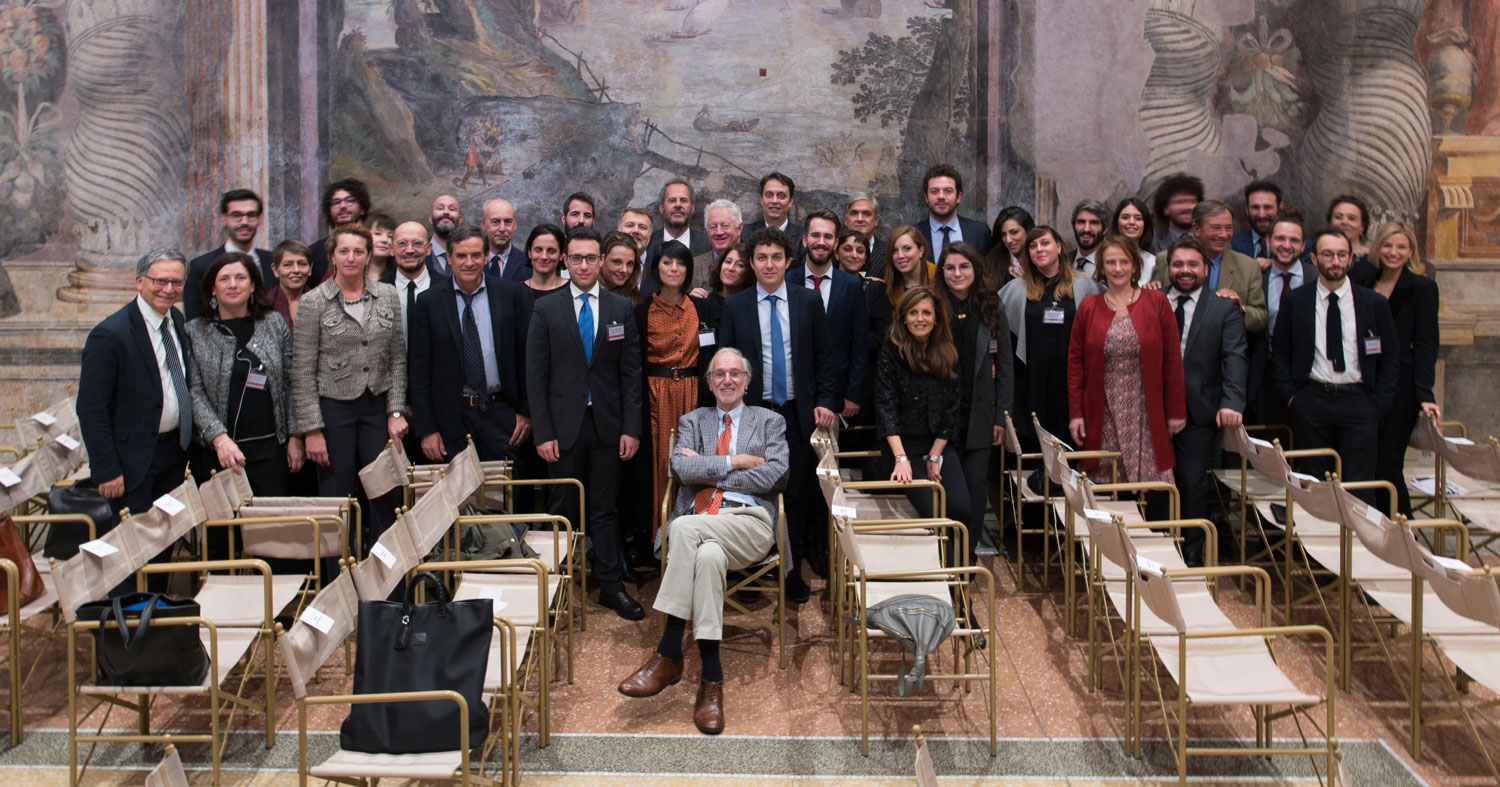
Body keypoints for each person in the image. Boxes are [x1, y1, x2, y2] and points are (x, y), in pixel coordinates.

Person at [617, 348, 788, 736]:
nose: (727, 380)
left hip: (749, 523)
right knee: (707, 556)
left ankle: (668, 652)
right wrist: (737, 461)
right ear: (708, 382)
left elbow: (777, 476)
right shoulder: (692, 421)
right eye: (719, 374)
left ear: (747, 381)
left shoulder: (770, 422)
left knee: (680, 530)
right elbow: (680, 467)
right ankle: (712, 678)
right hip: (704, 523)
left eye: (735, 374)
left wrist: (706, 470)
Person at [527, 227, 645, 620]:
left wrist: (631, 428)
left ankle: (611, 586)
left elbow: (630, 373)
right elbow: (536, 377)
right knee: (562, 509)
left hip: (608, 426)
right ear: (565, 260)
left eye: (591, 258)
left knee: (605, 509)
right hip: (562, 429)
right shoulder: (546, 309)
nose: (583, 265)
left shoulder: (618, 308)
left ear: (601, 261)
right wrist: (543, 432)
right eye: (576, 258)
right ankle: (554, 589)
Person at [717, 227, 837, 604]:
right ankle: (751, 572)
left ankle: (791, 569)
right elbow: (724, 364)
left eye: (776, 258)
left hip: (796, 415)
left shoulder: (808, 301)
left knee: (796, 495)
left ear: (789, 262)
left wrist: (825, 400)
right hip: (753, 415)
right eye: (761, 258)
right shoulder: (735, 306)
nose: (769, 264)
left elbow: (824, 357)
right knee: (752, 493)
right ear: (751, 264)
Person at [291, 223, 408, 544]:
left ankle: (385, 573)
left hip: (376, 408)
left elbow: (397, 358)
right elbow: (302, 371)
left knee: (385, 495)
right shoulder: (313, 302)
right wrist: (311, 430)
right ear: (332, 256)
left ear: (369, 255)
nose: (351, 258)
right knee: (336, 500)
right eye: (344, 251)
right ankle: (339, 574)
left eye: (358, 251)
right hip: (333, 412)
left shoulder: (387, 295)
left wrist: (396, 411)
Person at [1270, 228, 1399, 498]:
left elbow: (1390, 358)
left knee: (1360, 487)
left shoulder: (1374, 303)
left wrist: (1379, 403)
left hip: (1360, 401)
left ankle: (1357, 528)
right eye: (1328, 255)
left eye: (1342, 255)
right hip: (1312, 400)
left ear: (1351, 258)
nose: (1336, 262)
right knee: (1315, 485)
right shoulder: (1296, 301)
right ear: (1314, 259)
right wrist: (1292, 397)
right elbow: (1280, 353)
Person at [1068, 237, 1186, 523]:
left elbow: (1173, 360)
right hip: (1103, 411)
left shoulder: (1157, 302)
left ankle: (1154, 545)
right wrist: (1076, 414)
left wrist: (1176, 412)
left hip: (1146, 411)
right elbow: (1075, 364)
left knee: (1154, 490)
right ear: (1101, 267)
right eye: (1110, 262)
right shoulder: (1089, 307)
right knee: (1106, 491)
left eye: (1124, 261)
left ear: (1135, 265)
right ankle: (1110, 548)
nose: (1118, 268)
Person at [78, 249, 195, 518]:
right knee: (136, 539)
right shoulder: (110, 335)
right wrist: (106, 469)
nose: (168, 289)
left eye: (176, 282)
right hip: (132, 462)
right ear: (139, 281)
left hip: (174, 454)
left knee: (168, 534)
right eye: (160, 281)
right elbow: (91, 408)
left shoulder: (176, 320)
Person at [408, 224, 532, 463]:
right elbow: (419, 371)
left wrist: (525, 413)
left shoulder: (511, 295)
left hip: (501, 412)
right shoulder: (429, 302)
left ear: (486, 257)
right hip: (450, 418)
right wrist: (427, 429)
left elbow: (526, 358)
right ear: (449, 259)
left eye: (476, 255)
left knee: (504, 484)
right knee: (458, 486)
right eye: (461, 256)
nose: (469, 263)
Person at [186, 252, 301, 496]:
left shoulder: (273, 323)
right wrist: (219, 438)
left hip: (271, 451)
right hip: (217, 452)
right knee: (222, 521)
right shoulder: (195, 331)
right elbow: (194, 392)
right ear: (213, 289)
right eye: (224, 279)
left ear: (252, 286)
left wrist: (295, 436)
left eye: (240, 278)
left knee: (270, 519)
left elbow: (291, 383)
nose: (233, 284)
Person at [1162, 237, 1247, 566]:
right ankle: (1157, 545)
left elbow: (1235, 357)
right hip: (1153, 410)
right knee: (1155, 482)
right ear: (1168, 268)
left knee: (1193, 482)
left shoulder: (1224, 307)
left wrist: (1232, 402)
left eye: (1192, 264)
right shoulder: (1152, 300)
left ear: (1206, 269)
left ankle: (1191, 550)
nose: (1185, 270)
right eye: (1178, 264)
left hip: (1198, 410)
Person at [1350, 220, 1440, 517]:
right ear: (1378, 247)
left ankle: (1404, 529)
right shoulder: (1363, 279)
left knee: (1388, 462)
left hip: (1402, 387)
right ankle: (1374, 525)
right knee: (1366, 461)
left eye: (1402, 246)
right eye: (1388, 245)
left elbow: (1426, 343)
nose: (1393, 252)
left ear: (1411, 251)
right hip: (1363, 382)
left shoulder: (1422, 288)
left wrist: (1425, 393)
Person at [876, 286, 971, 551]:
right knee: (935, 513)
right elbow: (886, 408)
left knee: (961, 509)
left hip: (938, 445)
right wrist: (901, 458)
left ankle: (957, 567)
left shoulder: (948, 353)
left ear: (936, 318)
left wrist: (935, 456)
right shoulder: (891, 352)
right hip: (902, 447)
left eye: (926, 313)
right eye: (913, 313)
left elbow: (952, 409)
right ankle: (947, 573)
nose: (920, 319)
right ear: (903, 318)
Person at [934, 244, 1012, 555]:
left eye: (964, 266)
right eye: (950, 268)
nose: (957, 274)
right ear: (942, 272)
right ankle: (945, 554)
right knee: (947, 491)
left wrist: (1001, 417)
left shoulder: (993, 307)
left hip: (980, 414)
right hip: (941, 416)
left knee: (976, 488)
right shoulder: (932, 305)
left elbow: (1004, 368)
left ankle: (967, 554)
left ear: (975, 270)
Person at [998, 226, 1100, 444]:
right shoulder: (1015, 289)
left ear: (1059, 247)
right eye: (1033, 246)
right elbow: (998, 331)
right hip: (1031, 381)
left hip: (1071, 381)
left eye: (1045, 243)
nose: (1039, 249)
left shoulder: (1085, 285)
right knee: (1033, 448)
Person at [637, 241, 711, 539]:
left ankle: (694, 534)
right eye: (667, 262)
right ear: (656, 267)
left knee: (695, 460)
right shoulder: (643, 311)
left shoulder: (701, 307)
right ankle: (660, 537)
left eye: (680, 263)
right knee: (661, 462)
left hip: (693, 394)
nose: (674, 269)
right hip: (657, 395)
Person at [788, 209, 869, 430]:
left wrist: (853, 394)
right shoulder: (787, 281)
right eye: (815, 235)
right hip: (793, 393)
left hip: (836, 396)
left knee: (828, 452)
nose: (821, 242)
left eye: (828, 237)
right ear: (805, 240)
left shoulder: (852, 286)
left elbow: (860, 345)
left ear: (835, 244)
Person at [1150, 200, 1268, 335]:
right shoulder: (1166, 260)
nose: (1223, 234)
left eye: (1228, 228)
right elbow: (1152, 310)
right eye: (1216, 227)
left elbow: (1261, 318)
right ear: (1196, 229)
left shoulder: (1248, 267)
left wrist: (1240, 308)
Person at [1253, 210, 1316, 428]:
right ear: (1268, 241)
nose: (1286, 245)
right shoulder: (1256, 276)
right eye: (1280, 238)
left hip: (1307, 377)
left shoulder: (1316, 278)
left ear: (1303, 245)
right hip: (1265, 376)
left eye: (1294, 240)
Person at [185, 189, 274, 316]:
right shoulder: (200, 267)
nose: (244, 222)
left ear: (259, 219)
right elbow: (194, 320)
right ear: (223, 219)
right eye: (236, 215)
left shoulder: (273, 262)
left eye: (251, 215)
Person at [644, 179, 709, 296]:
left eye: (683, 200)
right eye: (672, 200)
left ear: (692, 208)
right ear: (661, 208)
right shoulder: (647, 244)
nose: (678, 205)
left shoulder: (708, 244)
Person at [915, 163, 991, 258]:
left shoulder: (980, 232)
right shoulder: (913, 234)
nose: (941, 196)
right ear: (926, 197)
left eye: (948, 191)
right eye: (934, 191)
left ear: (958, 197)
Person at [307, 178, 366, 283]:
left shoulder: (376, 247)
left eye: (349, 200)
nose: (342, 206)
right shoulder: (313, 253)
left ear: (362, 208)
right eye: (336, 202)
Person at [740, 172, 803, 261]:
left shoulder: (802, 237)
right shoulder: (744, 234)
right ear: (761, 199)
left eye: (781, 195)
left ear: (790, 201)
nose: (774, 201)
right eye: (769, 195)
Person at [391, 221, 436, 344]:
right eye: (402, 243)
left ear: (428, 249)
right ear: (392, 249)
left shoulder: (446, 288)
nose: (410, 250)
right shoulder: (379, 290)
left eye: (417, 243)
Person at [694, 199, 744, 296]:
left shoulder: (752, 262)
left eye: (725, 226)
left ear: (739, 228)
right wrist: (690, 301)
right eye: (713, 227)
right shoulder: (693, 266)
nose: (719, 232)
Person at [1230, 180, 1284, 269]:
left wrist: (1274, 263)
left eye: (1268, 207)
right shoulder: (1232, 245)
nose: (1261, 215)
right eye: (1255, 207)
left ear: (1280, 208)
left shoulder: (1297, 245)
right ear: (1247, 209)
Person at [883, 224, 937, 310]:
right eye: (894, 251)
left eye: (907, 248)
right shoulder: (887, 286)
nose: (900, 256)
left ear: (921, 250)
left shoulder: (940, 278)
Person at [1149, 171, 1204, 252]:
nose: (1188, 207)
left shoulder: (1211, 241)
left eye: (1193, 201)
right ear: (1165, 209)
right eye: (1180, 202)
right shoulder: (1153, 245)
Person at [267, 239, 314, 329]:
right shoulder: (264, 307)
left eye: (302, 264)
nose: (296, 270)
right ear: (275, 270)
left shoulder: (323, 305)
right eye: (287, 265)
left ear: (310, 268)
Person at [482, 198, 530, 282]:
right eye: (495, 221)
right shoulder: (471, 261)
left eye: (508, 221)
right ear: (483, 224)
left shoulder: (528, 263)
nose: (502, 228)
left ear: (514, 225)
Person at [1110, 197, 1157, 283]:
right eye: (1125, 217)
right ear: (1117, 222)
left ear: (1145, 225)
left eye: (1138, 218)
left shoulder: (1153, 263)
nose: (1131, 222)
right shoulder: (1104, 257)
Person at [704, 243, 749, 331]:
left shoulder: (753, 306)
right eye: (728, 262)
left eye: (740, 265)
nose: (731, 268)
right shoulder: (704, 303)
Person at [988, 205, 1034, 285]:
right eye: (1003, 234)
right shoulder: (993, 264)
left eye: (1014, 232)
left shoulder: (1040, 258)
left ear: (1028, 230)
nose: (1008, 240)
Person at [521, 223, 569, 299]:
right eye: (538, 250)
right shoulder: (517, 292)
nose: (544, 257)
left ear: (561, 255)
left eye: (551, 251)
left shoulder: (572, 290)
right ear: (529, 253)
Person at [844, 194, 885, 277]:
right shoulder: (833, 251)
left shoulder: (889, 252)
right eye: (854, 213)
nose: (860, 219)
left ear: (876, 220)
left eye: (866, 214)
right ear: (846, 219)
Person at [422, 194, 463, 275]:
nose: (446, 212)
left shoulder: (471, 252)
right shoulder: (419, 252)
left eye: (452, 209)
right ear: (430, 219)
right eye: (440, 208)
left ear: (460, 220)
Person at [602, 231, 643, 307]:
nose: (624, 270)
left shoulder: (635, 296)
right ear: (602, 259)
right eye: (617, 262)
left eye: (629, 264)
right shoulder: (587, 290)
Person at [1068, 199, 1108, 278]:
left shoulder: (1113, 263)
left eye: (1094, 223)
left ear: (1105, 230)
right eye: (1081, 222)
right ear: (1073, 227)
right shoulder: (1062, 261)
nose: (1086, 229)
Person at [1327, 194, 1372, 262]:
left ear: (1362, 226)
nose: (1344, 222)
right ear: (1330, 222)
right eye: (1338, 217)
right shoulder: (1317, 256)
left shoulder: (1374, 259)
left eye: (1352, 218)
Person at [362, 213, 398, 284]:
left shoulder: (399, 277)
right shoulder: (353, 274)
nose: (384, 240)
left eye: (390, 236)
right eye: (377, 233)